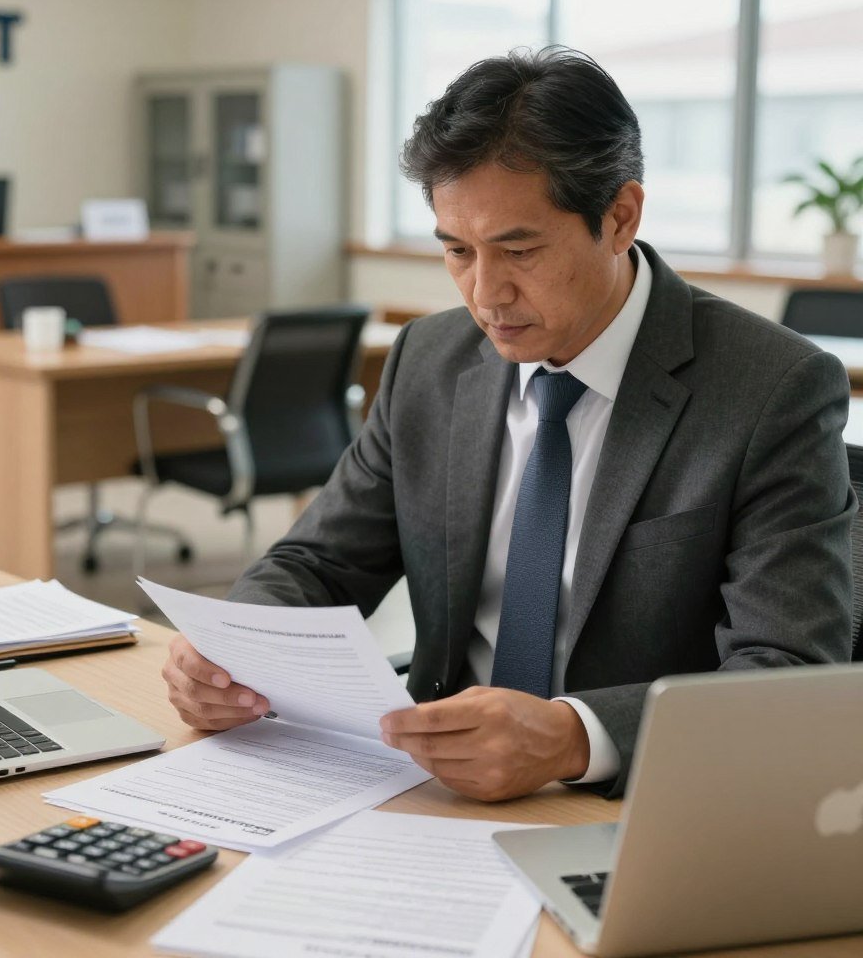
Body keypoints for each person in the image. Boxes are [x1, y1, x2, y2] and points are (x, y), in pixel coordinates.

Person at [162, 46, 854, 801]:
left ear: (620, 217)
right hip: (433, 787)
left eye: (519, 249)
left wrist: (573, 738)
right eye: (458, 251)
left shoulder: (772, 389)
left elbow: (787, 673)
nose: (485, 294)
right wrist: (236, 651)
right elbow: (318, 563)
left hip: (636, 803)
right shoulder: (429, 359)